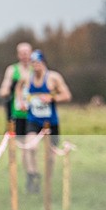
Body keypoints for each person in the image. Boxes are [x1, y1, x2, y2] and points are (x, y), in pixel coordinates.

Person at [14, 49, 72, 193]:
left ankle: (48, 181)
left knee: (51, 156)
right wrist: (21, 102)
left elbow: (67, 95)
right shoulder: (27, 76)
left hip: (50, 122)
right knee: (30, 147)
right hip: (33, 119)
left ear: (44, 63)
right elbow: (18, 88)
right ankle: (33, 175)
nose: (35, 66)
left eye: (38, 63)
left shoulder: (53, 77)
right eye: (33, 63)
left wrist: (52, 98)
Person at [0, 42, 33, 180]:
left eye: (27, 52)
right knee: (20, 146)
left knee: (32, 146)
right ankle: (26, 174)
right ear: (18, 55)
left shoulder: (35, 69)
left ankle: (33, 172)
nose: (24, 56)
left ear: (31, 53)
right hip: (17, 114)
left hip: (33, 114)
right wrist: (10, 88)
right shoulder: (12, 70)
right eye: (22, 53)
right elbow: (3, 91)